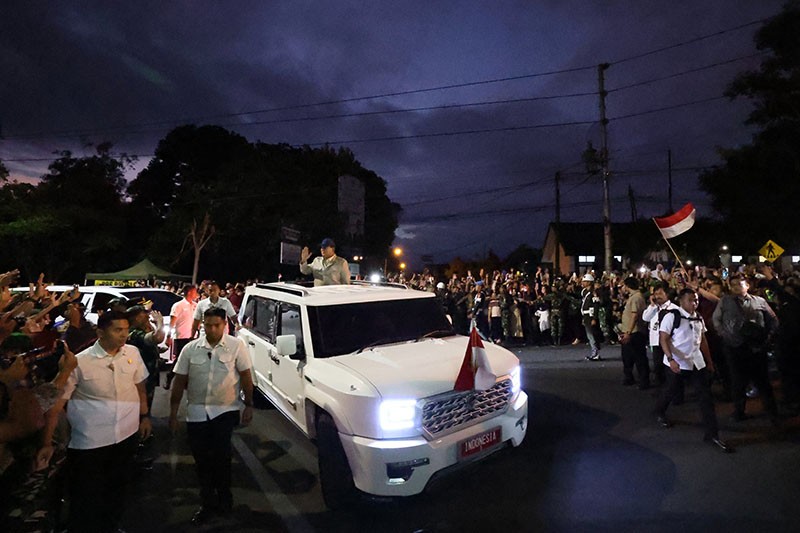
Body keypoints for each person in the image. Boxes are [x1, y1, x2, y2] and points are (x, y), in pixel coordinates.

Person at [45, 310, 151, 533]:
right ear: (100, 332)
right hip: (89, 444)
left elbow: (140, 388)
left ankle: (111, 526)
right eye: (118, 330)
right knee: (86, 497)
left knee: (118, 490)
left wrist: (144, 416)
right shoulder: (80, 362)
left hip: (125, 436)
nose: (124, 335)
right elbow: (56, 404)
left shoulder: (132, 353)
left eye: (126, 330)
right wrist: (47, 442)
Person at [169, 307, 254, 525]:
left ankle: (225, 501)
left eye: (217, 325)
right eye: (208, 325)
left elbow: (246, 376)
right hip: (196, 413)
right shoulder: (191, 349)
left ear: (225, 325)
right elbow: (179, 381)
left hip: (224, 411)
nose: (212, 329)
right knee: (201, 461)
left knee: (222, 459)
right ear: (203, 325)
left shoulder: (236, 346)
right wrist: (173, 412)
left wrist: (249, 405)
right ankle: (207, 503)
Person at [655, 288, 732, 453]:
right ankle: (660, 411)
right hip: (677, 363)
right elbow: (664, 338)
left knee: (705, 398)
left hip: (696, 363)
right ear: (681, 300)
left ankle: (712, 434)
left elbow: (702, 340)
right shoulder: (672, 316)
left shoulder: (698, 317)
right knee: (670, 391)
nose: (694, 303)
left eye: (696, 300)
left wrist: (709, 361)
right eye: (690, 300)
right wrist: (670, 359)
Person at [712, 274, 779, 423]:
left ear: (747, 286)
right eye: (733, 284)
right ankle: (739, 411)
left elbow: (773, 319)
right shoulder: (725, 301)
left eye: (740, 284)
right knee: (738, 381)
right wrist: (725, 335)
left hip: (756, 347)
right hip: (734, 347)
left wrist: (767, 338)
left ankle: (771, 411)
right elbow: (716, 320)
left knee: (762, 381)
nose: (736, 287)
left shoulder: (759, 301)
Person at [642, 283, 678, 386]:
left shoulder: (673, 308)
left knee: (669, 367)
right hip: (656, 341)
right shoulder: (654, 308)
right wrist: (652, 305)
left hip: (669, 342)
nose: (657, 296)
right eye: (655, 294)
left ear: (667, 294)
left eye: (660, 293)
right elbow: (645, 318)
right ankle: (660, 389)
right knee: (658, 366)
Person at [619, 277, 650, 389]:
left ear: (627, 285)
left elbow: (634, 315)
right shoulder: (634, 297)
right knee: (628, 356)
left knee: (639, 357)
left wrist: (628, 331)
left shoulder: (636, 298)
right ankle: (629, 377)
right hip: (631, 330)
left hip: (634, 332)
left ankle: (644, 381)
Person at [580, 273, 601, 360]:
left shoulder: (593, 293)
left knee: (592, 335)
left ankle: (595, 352)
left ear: (589, 282)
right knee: (589, 335)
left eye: (585, 281)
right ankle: (594, 351)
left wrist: (594, 318)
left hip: (590, 315)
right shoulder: (585, 292)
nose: (583, 283)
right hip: (586, 315)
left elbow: (595, 305)